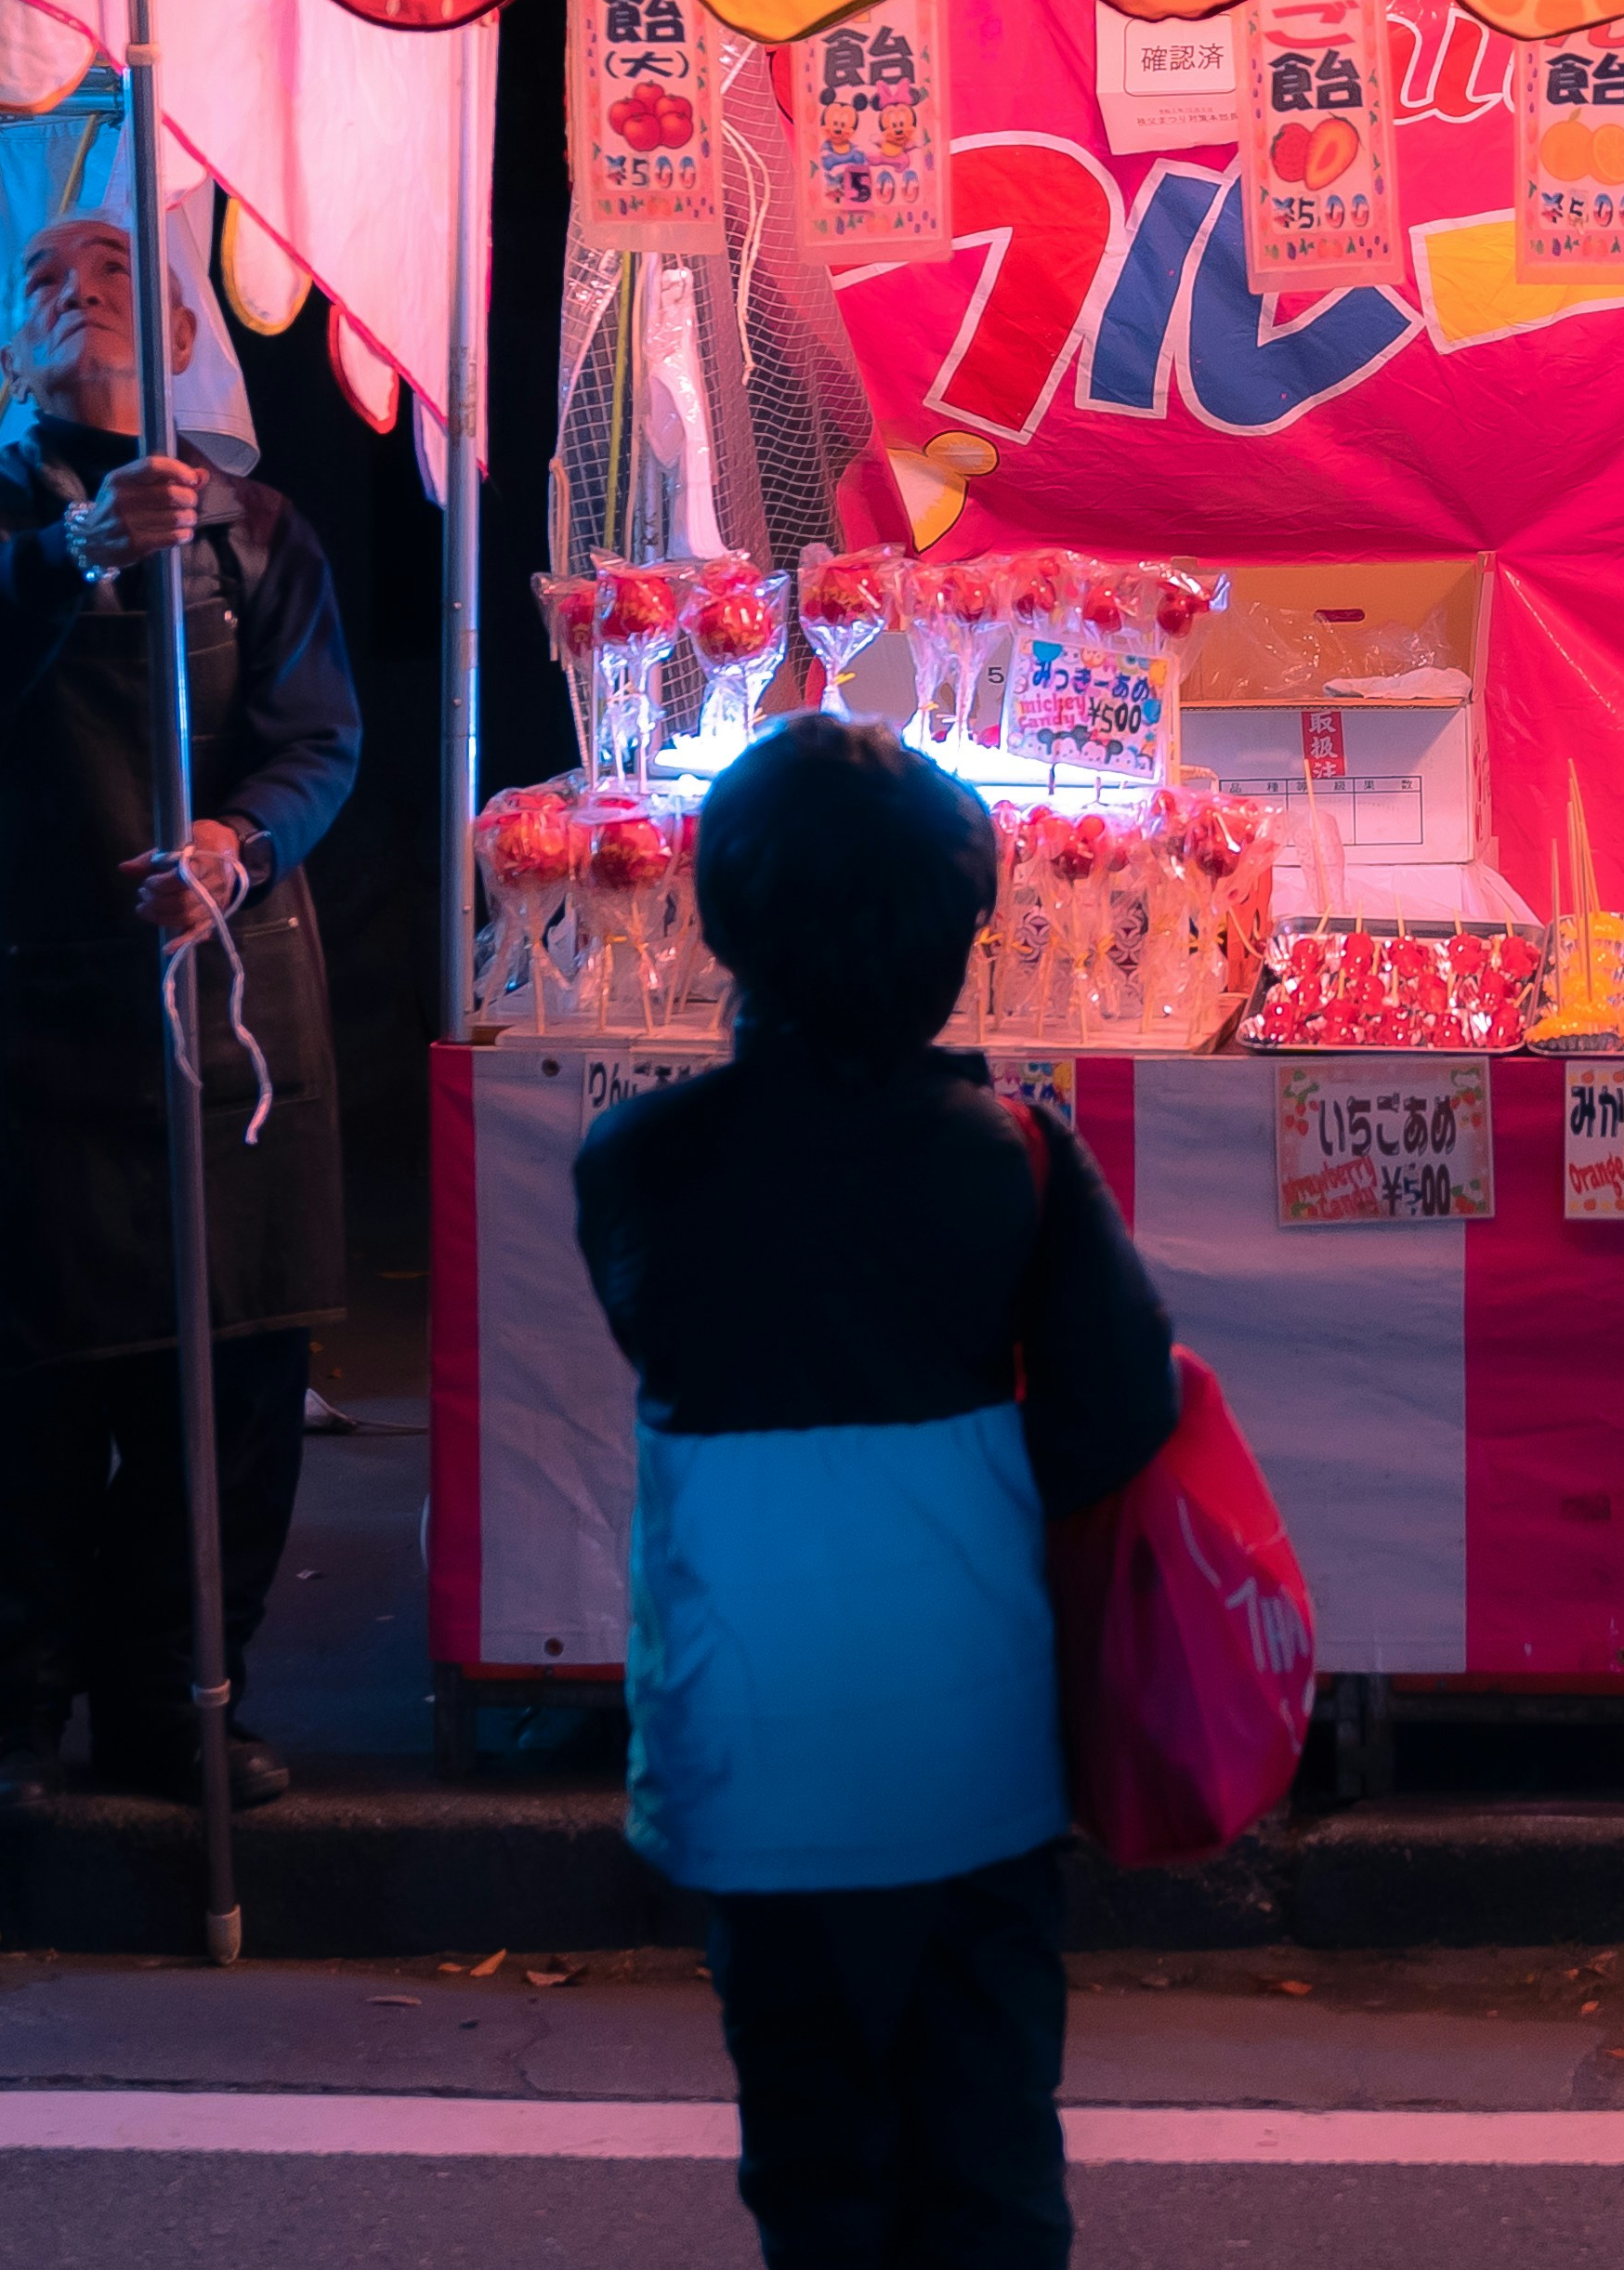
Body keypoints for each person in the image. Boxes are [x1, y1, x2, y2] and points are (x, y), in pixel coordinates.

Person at [575, 715, 1176, 2270]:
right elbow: (1116, 1420)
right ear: (964, 940)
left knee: (813, 2159)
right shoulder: (1014, 1157)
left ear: (717, 919)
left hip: (746, 1732)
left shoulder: (633, 1161)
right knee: (984, 2152)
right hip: (971, 1737)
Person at [0, 217, 357, 1806]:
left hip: (220, 1003)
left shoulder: (263, 529)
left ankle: (183, 1699)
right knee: (14, 1364)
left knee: (223, 1366)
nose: (76, 296)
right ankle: (9, 1702)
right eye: (41, 283)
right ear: (11, 348)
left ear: (179, 335)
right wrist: (76, 551)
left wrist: (238, 840)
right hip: (24, 998)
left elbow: (318, 742)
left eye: (116, 277)